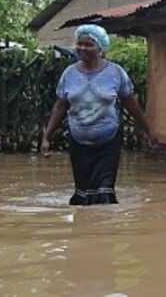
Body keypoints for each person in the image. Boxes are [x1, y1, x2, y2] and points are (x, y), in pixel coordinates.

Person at [41, 24, 159, 205]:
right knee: (83, 194)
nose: (82, 48)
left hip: (108, 142)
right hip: (78, 142)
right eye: (79, 44)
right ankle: (84, 231)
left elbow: (131, 104)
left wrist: (148, 131)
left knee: (104, 192)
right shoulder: (69, 74)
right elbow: (60, 107)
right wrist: (47, 137)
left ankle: (103, 231)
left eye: (88, 44)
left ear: (100, 48)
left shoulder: (116, 73)